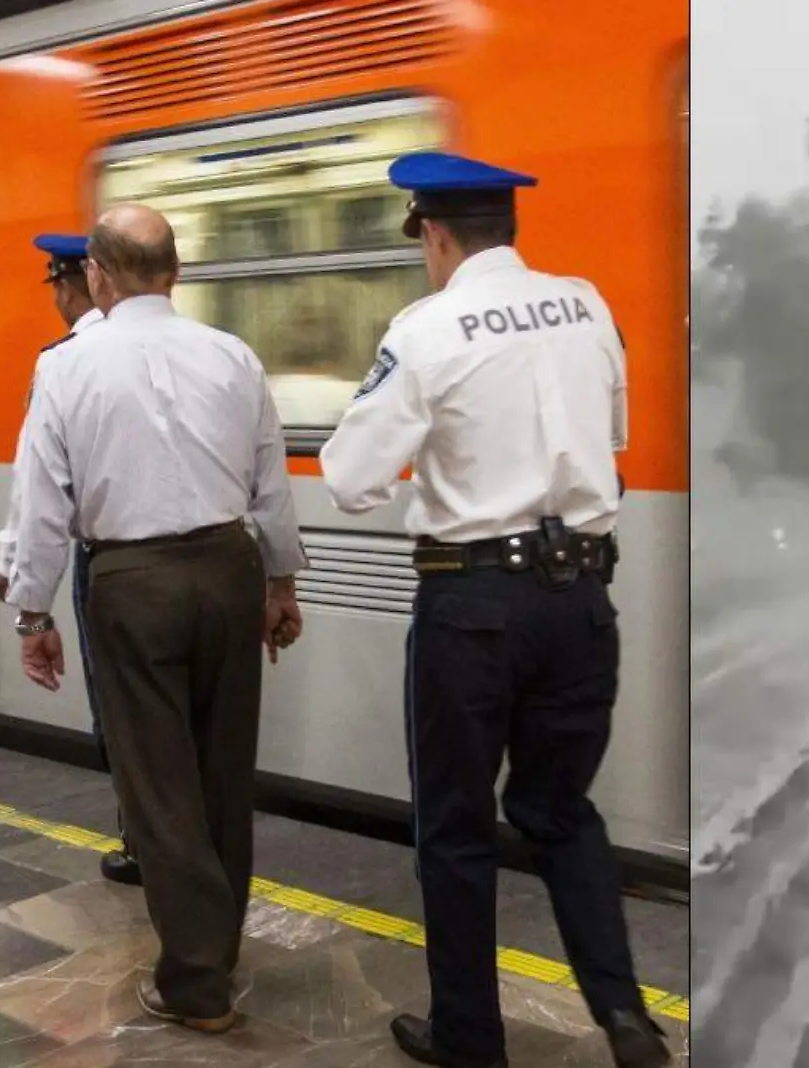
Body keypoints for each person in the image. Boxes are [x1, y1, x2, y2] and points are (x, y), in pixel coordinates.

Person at [319, 151, 670, 1068]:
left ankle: (470, 1037)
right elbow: (617, 436)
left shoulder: (427, 327)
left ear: (434, 235)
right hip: (582, 599)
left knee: (458, 824)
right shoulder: (586, 304)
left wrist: (428, 478)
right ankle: (625, 1016)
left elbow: (350, 477)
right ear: (506, 230)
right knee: (562, 812)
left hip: (472, 607)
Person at [5, 203, 308, 1033]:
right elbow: (270, 485)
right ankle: (219, 948)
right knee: (221, 775)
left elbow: (40, 501)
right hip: (228, 566)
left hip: (132, 584)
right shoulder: (232, 356)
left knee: (159, 788)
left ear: (96, 277)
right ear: (175, 272)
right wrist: (281, 584)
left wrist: (34, 610)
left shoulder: (67, 366)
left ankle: (197, 982)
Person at [0, 233, 140, 888]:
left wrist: (23, 583)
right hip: (204, 555)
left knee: (120, 711)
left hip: (108, 561)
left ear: (72, 283)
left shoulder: (66, 361)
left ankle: (142, 841)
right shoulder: (198, 348)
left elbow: (39, 483)